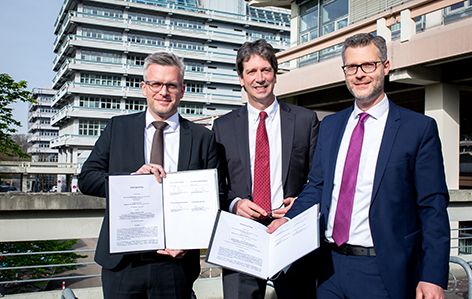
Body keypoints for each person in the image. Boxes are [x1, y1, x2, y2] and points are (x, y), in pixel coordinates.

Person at [268, 33, 450, 299]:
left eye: (368, 65)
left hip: (383, 270)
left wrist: (431, 276)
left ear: (385, 67)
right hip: (329, 267)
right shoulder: (330, 126)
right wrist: (288, 219)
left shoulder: (418, 129)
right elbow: (316, 187)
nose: (360, 74)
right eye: (352, 67)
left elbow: (432, 207)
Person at [78, 52, 219, 299]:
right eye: (156, 84)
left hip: (176, 265)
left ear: (182, 90)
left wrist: (190, 240)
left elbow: (215, 196)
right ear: (144, 88)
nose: (163, 91)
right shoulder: (117, 128)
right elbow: (87, 179)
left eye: (171, 85)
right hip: (124, 263)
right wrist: (130, 180)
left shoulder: (202, 138)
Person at [213, 39, 320, 299]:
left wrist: (300, 203)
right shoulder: (222, 127)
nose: (259, 78)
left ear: (275, 74)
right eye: (251, 71)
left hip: (290, 231)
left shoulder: (305, 120)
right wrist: (235, 203)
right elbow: (215, 185)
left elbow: (318, 179)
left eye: (266, 70)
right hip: (242, 234)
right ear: (241, 79)